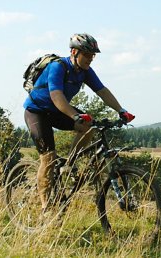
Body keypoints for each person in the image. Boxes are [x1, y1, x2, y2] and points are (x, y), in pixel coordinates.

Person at [23, 33, 135, 214]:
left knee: (88, 127)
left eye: (93, 55)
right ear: (74, 52)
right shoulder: (58, 67)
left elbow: (102, 91)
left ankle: (68, 163)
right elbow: (56, 96)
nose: (91, 58)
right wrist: (75, 115)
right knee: (49, 158)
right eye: (87, 54)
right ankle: (46, 207)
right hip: (37, 112)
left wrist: (121, 110)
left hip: (58, 111)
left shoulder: (85, 71)